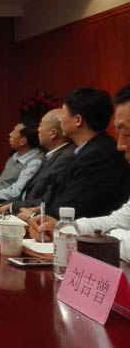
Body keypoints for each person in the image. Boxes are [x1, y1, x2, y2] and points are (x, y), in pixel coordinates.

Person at [29, 84, 130, 261]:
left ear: (78, 120)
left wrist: (99, 237)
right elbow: (120, 219)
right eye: (119, 132)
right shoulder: (87, 151)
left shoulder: (100, 155)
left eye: (128, 133)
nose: (120, 145)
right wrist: (69, 228)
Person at [0, 109, 75, 214]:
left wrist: (12, 207)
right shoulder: (50, 156)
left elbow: (47, 201)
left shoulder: (64, 159)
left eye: (40, 125)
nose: (38, 130)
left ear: (53, 133)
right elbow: (26, 194)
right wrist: (4, 205)